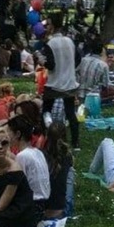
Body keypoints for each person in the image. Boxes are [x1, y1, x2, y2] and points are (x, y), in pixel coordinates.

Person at [39, 14, 80, 150]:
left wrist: (41, 60)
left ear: (53, 26)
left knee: (46, 111)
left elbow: (51, 65)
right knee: (70, 113)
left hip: (54, 83)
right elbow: (78, 58)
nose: (47, 27)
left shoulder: (50, 44)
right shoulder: (70, 41)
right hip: (69, 82)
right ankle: (75, 142)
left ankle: (47, 136)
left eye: (49, 25)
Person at [6, 115, 52, 219]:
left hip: (32, 206)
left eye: (9, 132)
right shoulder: (37, 152)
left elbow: (18, 187)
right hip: (44, 203)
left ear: (17, 134)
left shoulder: (22, 156)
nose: (7, 136)